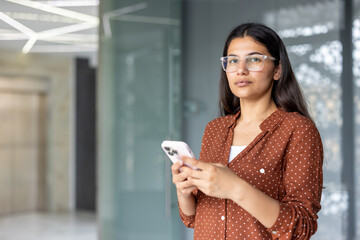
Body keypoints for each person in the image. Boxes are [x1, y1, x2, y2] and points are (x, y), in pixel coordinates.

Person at [171, 23, 323, 240]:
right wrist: (183, 191)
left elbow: (301, 227)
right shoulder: (215, 129)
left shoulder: (298, 130)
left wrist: (235, 188)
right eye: (232, 61)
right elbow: (193, 218)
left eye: (254, 59)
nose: (241, 69)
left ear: (277, 70)